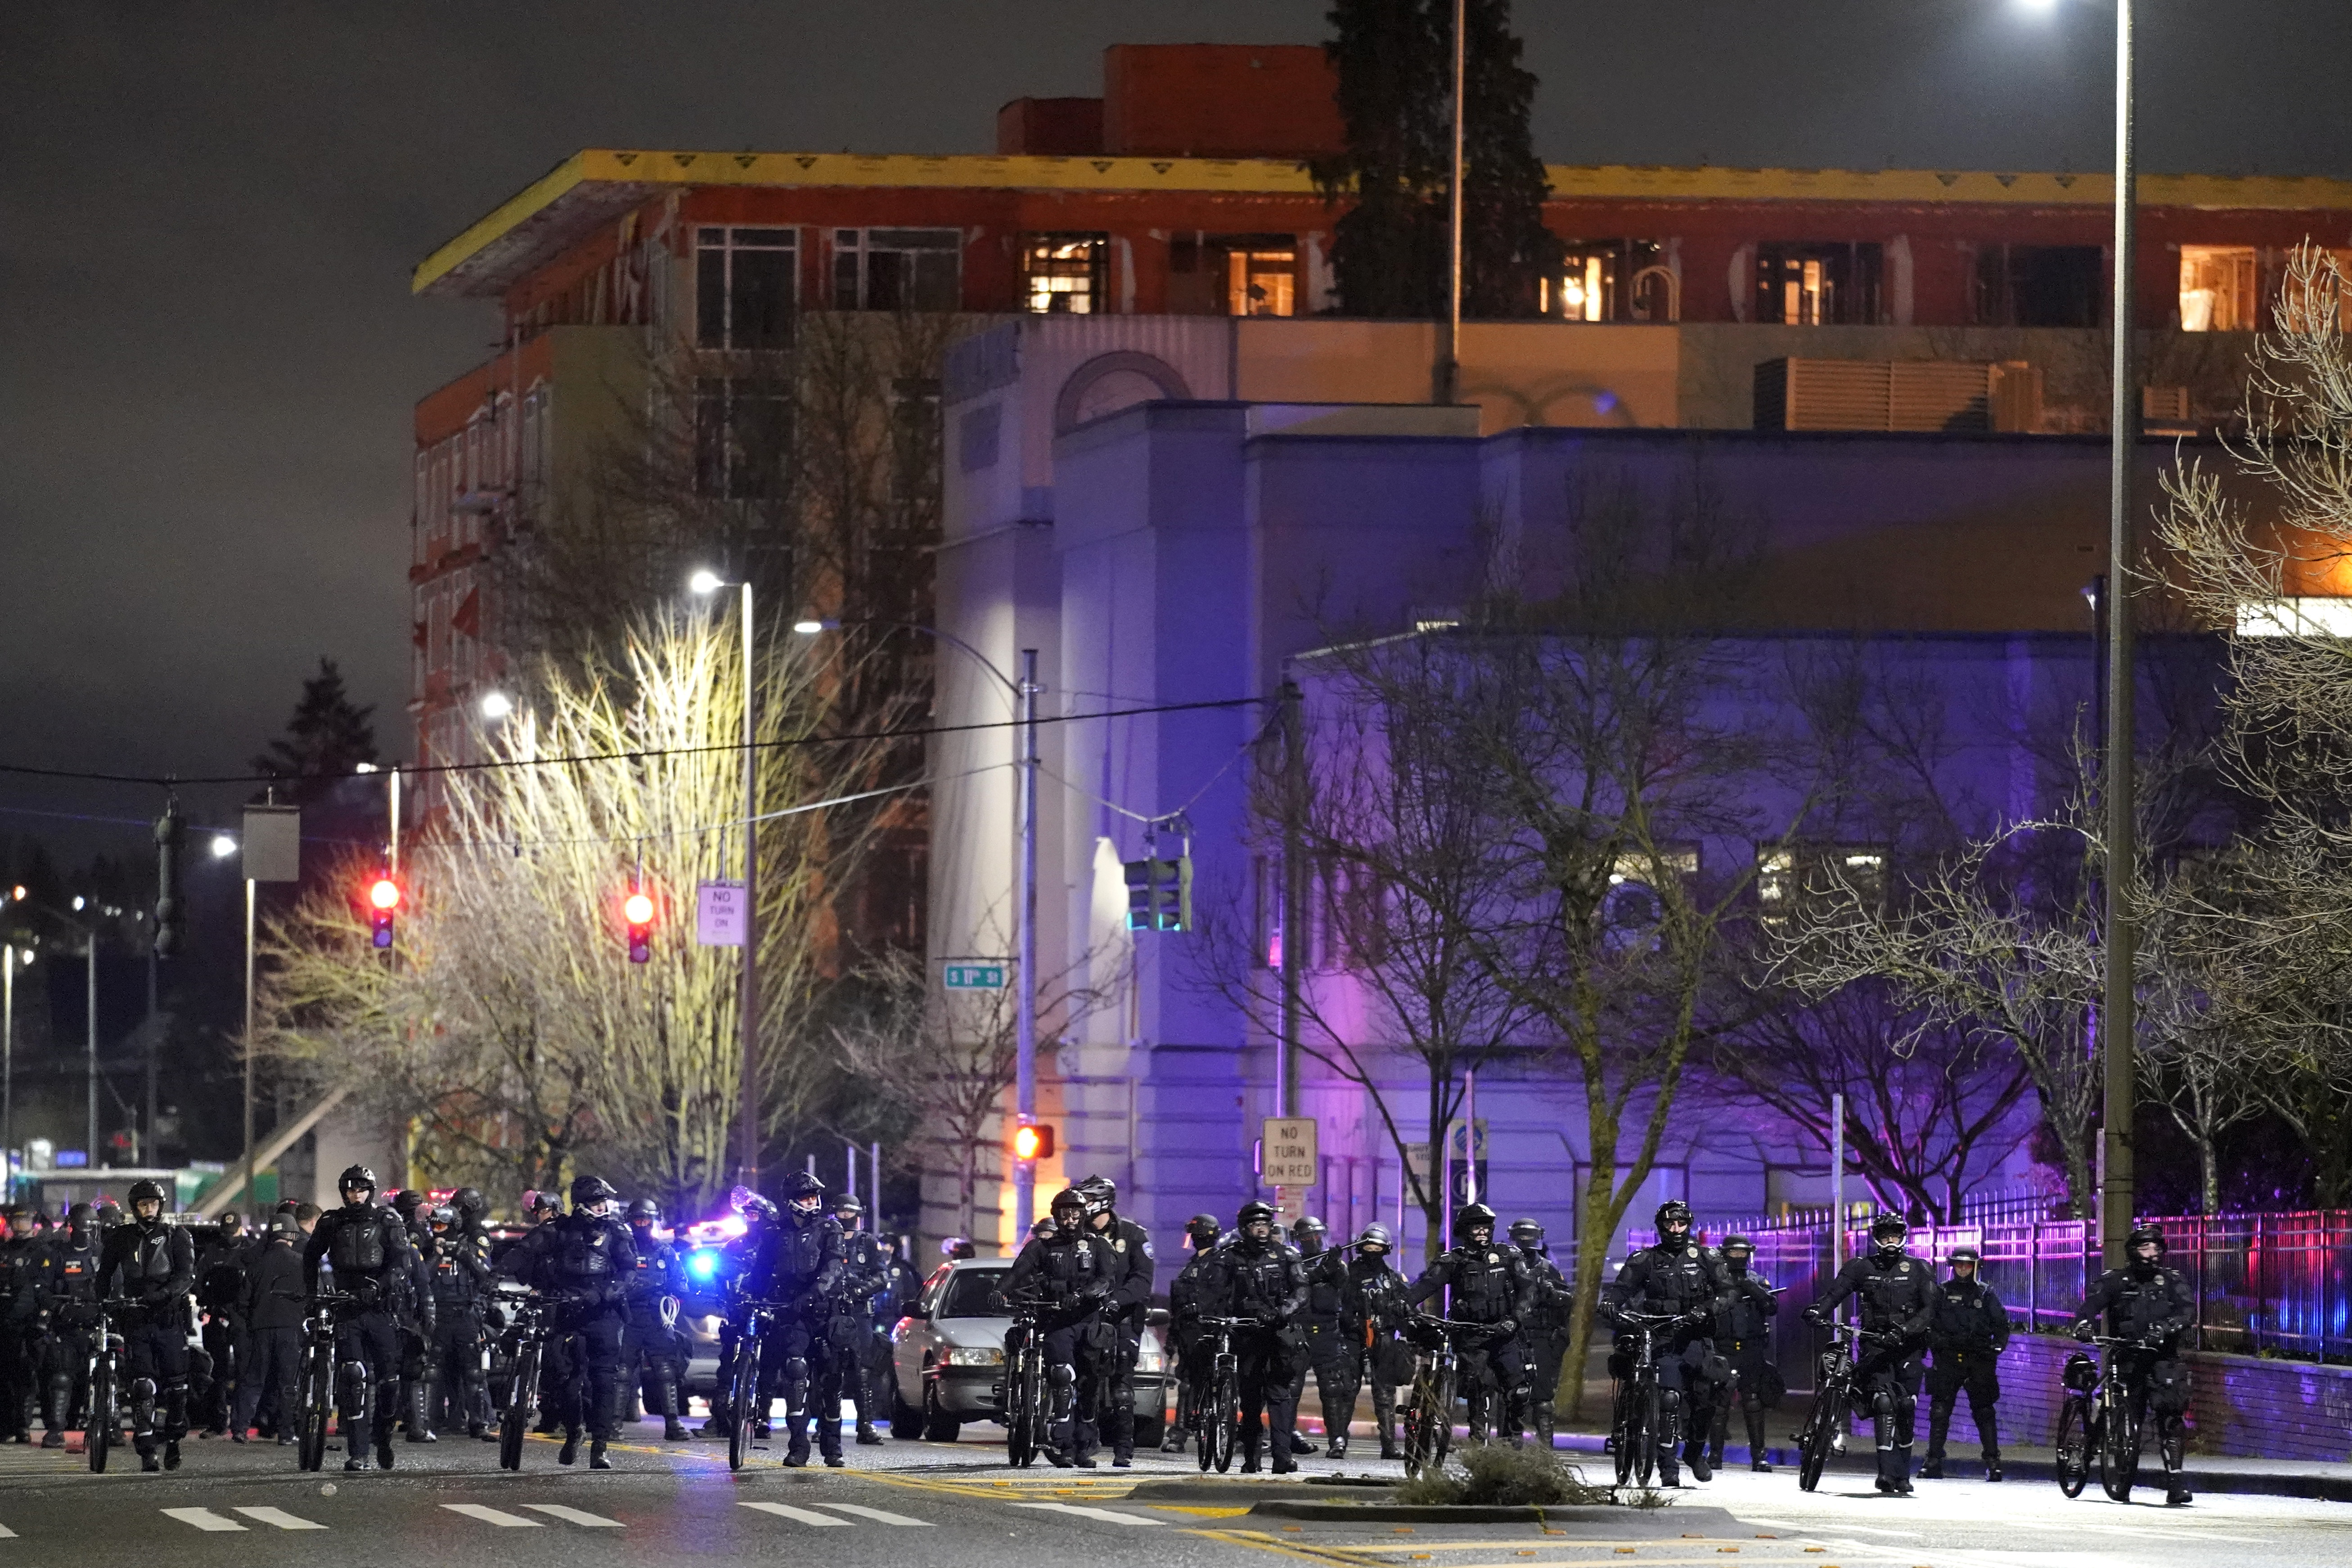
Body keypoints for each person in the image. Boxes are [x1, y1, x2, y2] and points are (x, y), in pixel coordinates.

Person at [508, 1175, 634, 1468]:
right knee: (562, 1380)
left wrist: (603, 1294)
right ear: (580, 1204)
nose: (602, 1206)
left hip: (603, 1314)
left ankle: (600, 1446)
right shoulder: (561, 1229)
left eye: (604, 1201)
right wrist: (493, 1274)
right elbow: (525, 1250)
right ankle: (574, 1429)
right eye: (595, 1201)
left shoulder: (616, 1231)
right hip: (567, 1312)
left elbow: (630, 1272)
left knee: (604, 1380)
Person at [1807, 1212, 1936, 1496]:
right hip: (1874, 1344)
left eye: (1895, 1235)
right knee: (1883, 1403)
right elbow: (1835, 1294)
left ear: (1903, 1237)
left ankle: (1903, 1474)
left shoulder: (1919, 1268)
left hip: (1909, 1346)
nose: (1891, 1240)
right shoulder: (1861, 1267)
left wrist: (1905, 1330)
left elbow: (1930, 1310)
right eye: (1885, 1235)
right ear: (1876, 1238)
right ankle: (1885, 1474)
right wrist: (1818, 1311)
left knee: (1906, 1406)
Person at [302, 1164, 419, 1472]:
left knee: (389, 1383)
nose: (356, 1195)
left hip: (381, 1308)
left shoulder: (387, 1220)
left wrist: (380, 1286)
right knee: (353, 1377)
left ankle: (383, 1437)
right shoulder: (332, 1221)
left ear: (371, 1191)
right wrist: (313, 1295)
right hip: (347, 1307)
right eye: (351, 1190)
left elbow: (402, 1262)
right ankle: (358, 1453)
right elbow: (310, 1256)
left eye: (361, 1189)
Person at [1600, 1200, 1725, 1485]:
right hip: (1662, 1337)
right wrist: (1610, 1303)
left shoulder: (1707, 1258)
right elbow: (1622, 1289)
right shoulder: (1645, 1259)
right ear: (1661, 1227)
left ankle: (1694, 1453)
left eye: (1681, 1224)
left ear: (1689, 1225)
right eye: (1670, 1224)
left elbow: (1727, 1293)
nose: (1676, 1229)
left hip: (1695, 1337)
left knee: (1705, 1400)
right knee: (1669, 1399)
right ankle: (1668, 1468)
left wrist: (1706, 1310)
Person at [2072, 1224, 2195, 1506]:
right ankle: (2121, 1474)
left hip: (2162, 1358)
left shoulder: (2173, 1280)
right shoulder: (2116, 1280)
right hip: (2127, 1357)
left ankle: (2176, 1483)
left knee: (2170, 1415)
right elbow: (2090, 1305)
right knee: (2127, 1414)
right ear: (2133, 1251)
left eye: (2156, 1248)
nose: (2152, 1253)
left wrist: (2165, 1328)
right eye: (2145, 1248)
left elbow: (2187, 1312)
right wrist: (2084, 1325)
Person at [1000, 1187, 1115, 1468]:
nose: (1070, 1219)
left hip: (1088, 1322)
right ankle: (1062, 1444)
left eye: (1075, 1213)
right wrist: (999, 1290)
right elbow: (1018, 1272)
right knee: (1062, 1375)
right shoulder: (1042, 1247)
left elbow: (1107, 1280)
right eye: (1064, 1214)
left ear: (1084, 1215)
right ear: (1056, 1215)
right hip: (1057, 1322)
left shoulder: (1098, 1246)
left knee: (1089, 1386)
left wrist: (1083, 1295)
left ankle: (1084, 1446)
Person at [90, 1178, 198, 1472]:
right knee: (142, 1387)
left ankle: (174, 1440)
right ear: (135, 1207)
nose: (149, 1209)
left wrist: (163, 1295)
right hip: (136, 1318)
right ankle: (147, 1450)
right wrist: (103, 1302)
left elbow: (186, 1275)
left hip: (169, 1318)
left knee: (177, 1389)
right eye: (143, 1204)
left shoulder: (177, 1235)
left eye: (153, 1204)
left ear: (161, 1206)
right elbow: (104, 1274)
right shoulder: (121, 1237)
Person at [1408, 1202, 1534, 1449]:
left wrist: (1515, 1318)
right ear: (1465, 1231)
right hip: (1470, 1334)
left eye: (1486, 1227)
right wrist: (1406, 1303)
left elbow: (1528, 1290)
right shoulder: (1453, 1260)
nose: (1483, 1232)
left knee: (1519, 1390)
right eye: (1477, 1228)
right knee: (1478, 1385)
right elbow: (1426, 1285)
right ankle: (1479, 1441)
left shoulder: (1509, 1256)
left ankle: (1513, 1437)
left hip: (1505, 1331)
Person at [1197, 1200, 1308, 1474]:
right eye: (1255, 1225)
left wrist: (1283, 1311)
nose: (1261, 1230)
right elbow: (1213, 1292)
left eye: (1265, 1225)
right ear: (1245, 1229)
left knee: (1279, 1396)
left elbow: (1302, 1290)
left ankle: (1282, 1457)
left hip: (1278, 1335)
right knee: (1249, 1398)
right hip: (1245, 1335)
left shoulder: (1286, 1255)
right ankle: (1252, 1459)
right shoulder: (1230, 1257)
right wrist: (1208, 1316)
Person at [1075, 1175, 1155, 1466]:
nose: (1082, 1206)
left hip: (1123, 1318)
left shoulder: (1133, 1235)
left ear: (1103, 1202)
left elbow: (1142, 1280)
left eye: (1087, 1200)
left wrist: (1117, 1300)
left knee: (1121, 1385)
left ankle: (1123, 1449)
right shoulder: (1077, 1236)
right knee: (1085, 1381)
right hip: (1087, 1317)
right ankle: (1085, 1443)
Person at [1920, 1244, 2008, 1482]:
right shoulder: (1942, 1292)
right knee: (1940, 1411)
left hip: (1978, 1360)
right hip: (1948, 1359)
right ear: (1953, 1266)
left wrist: (1996, 1348)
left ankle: (1993, 1463)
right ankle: (1933, 1461)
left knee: (1984, 1411)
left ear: (1975, 1267)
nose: (1963, 1269)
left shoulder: (1985, 1294)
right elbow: (1928, 1323)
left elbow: (2001, 1326)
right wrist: (1936, 1343)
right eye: (1959, 1264)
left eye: (1968, 1265)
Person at [1325, 1221, 1409, 1460]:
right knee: (1347, 1391)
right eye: (1369, 1247)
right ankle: (1339, 1442)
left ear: (1386, 1249)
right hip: (1353, 1338)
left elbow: (1408, 1306)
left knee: (1385, 1394)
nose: (1372, 1252)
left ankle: (1389, 1445)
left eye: (1377, 1248)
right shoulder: (1348, 1274)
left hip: (1383, 1340)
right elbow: (1333, 1298)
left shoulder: (1393, 1277)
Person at [1703, 1234, 1781, 1473]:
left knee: (1754, 1402)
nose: (1738, 1257)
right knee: (1720, 1403)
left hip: (1751, 1349)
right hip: (1723, 1348)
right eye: (1733, 1252)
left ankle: (1759, 1457)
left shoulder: (1756, 1280)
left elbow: (1772, 1307)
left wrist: (1752, 1289)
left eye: (1742, 1253)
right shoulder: (1714, 1280)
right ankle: (1715, 1455)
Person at [420, 1204, 493, 1441]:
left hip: (465, 1315)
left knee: (473, 1372)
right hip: (438, 1316)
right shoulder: (427, 1249)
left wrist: (464, 1255)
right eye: (433, 1225)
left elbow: (484, 1275)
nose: (436, 1230)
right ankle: (426, 1424)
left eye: (441, 1225)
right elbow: (421, 1278)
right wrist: (436, 1255)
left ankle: (478, 1423)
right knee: (431, 1372)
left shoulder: (469, 1248)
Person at [33, 1203, 103, 1447]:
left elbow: (117, 1286)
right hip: (66, 1325)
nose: (87, 1233)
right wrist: (57, 1308)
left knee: (106, 1374)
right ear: (71, 1226)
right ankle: (56, 1429)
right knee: (61, 1377)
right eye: (82, 1227)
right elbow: (42, 1288)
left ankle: (111, 1426)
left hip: (97, 1324)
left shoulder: (102, 1254)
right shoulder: (57, 1254)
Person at [234, 1213, 307, 1444]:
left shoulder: (257, 1265)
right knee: (288, 1384)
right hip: (291, 1330)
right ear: (293, 1235)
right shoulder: (302, 1263)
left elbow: (242, 1302)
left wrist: (253, 1321)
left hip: (261, 1330)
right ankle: (286, 1433)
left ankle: (240, 1428)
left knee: (253, 1381)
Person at [621, 1199, 688, 1442]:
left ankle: (673, 1423)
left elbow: (681, 1283)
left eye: (646, 1220)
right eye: (638, 1221)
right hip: (628, 1315)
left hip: (657, 1317)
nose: (642, 1225)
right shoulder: (623, 1249)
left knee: (666, 1370)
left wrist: (668, 1290)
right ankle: (613, 1425)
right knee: (622, 1371)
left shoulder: (665, 1252)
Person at [827, 1195, 891, 1446]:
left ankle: (865, 1425)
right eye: (840, 1212)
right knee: (829, 1367)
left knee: (862, 1368)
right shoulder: (826, 1239)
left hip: (859, 1311)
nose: (845, 1216)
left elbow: (882, 1277)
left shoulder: (868, 1243)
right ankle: (827, 1424)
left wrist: (859, 1290)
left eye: (849, 1212)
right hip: (832, 1310)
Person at [1508, 1218, 1572, 1451]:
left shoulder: (1547, 1268)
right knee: (1512, 1395)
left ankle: (1545, 1452)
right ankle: (1510, 1445)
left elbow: (1567, 1301)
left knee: (1543, 1400)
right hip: (1512, 1336)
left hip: (1542, 1337)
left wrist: (1552, 1294)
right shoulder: (1505, 1267)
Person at [1160, 1213, 1221, 1453]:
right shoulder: (1192, 1265)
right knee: (1186, 1384)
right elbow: (1179, 1303)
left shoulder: (1222, 1263)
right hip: (1189, 1331)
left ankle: (1224, 1431)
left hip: (1213, 1329)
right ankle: (1180, 1432)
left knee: (1216, 1381)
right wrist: (1173, 1334)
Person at [1286, 1216, 1344, 1457]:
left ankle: (1337, 1439)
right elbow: (1302, 1280)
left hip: (1327, 1333)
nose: (1313, 1241)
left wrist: (1334, 1265)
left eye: (1316, 1236)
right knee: (1291, 1387)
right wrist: (1323, 1269)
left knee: (1332, 1388)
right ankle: (1286, 1434)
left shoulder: (1335, 1264)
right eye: (1307, 1237)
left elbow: (1343, 1283)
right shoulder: (1292, 1262)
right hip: (1297, 1332)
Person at [192, 1210, 252, 1438]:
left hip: (242, 1317)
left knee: (244, 1372)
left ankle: (240, 1425)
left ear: (241, 1229)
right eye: (226, 1233)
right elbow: (197, 1281)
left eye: (233, 1232)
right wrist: (207, 1301)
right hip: (216, 1315)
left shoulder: (252, 1250)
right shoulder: (212, 1251)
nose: (229, 1237)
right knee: (216, 1372)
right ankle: (217, 1423)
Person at [0, 1205, 41, 1443]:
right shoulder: (4, 1250)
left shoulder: (42, 1250)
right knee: (5, 1376)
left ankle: (22, 1425)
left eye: (24, 1221)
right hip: (5, 1321)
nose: (19, 1226)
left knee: (26, 1376)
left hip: (30, 1323)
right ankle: (6, 1425)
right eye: (15, 1221)